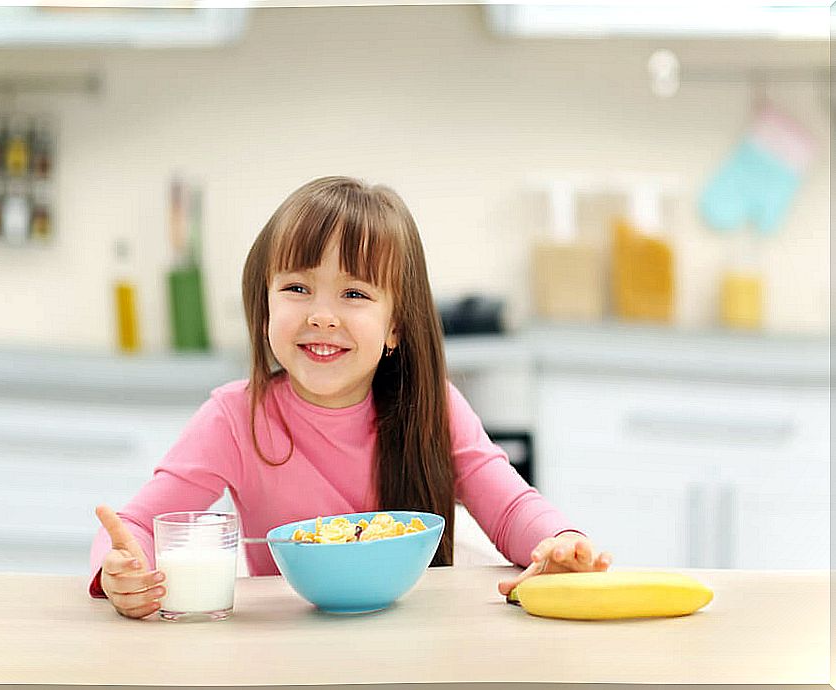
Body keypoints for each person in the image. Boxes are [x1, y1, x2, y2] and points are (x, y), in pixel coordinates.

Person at [90, 176, 612, 619]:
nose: (321, 315)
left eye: (355, 294)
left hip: (418, 645)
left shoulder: (434, 408)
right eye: (297, 288)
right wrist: (121, 575)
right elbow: (134, 527)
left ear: (396, 325)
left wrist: (560, 544)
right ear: (263, 304)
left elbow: (511, 508)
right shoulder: (235, 417)